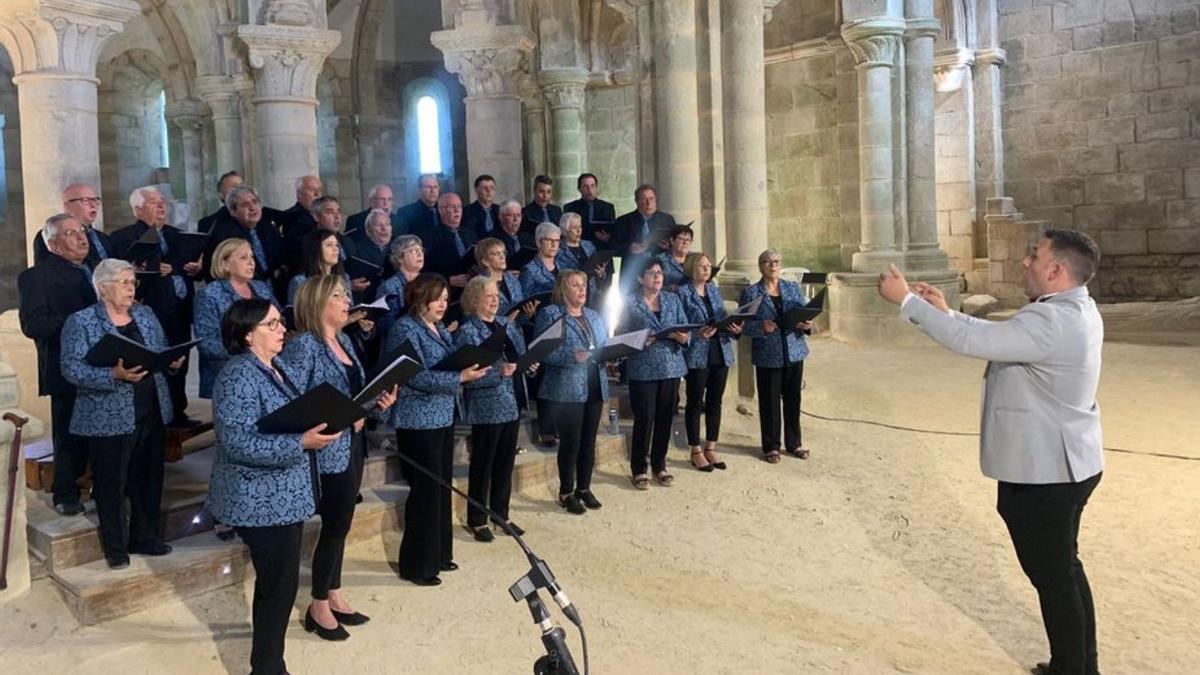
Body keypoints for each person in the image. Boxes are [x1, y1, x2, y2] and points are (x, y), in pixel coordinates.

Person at [878, 230, 1106, 675]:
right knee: (1064, 570)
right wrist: (942, 311)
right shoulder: (1071, 308)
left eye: (1033, 256)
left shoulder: (1053, 321)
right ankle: (1079, 664)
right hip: (1066, 463)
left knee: (1054, 577)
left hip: (1047, 473)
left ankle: (1074, 669)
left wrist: (908, 303)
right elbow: (997, 336)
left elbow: (975, 343)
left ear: (1056, 270)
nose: (1025, 262)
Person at [209, 298, 341, 675]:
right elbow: (237, 441)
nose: (282, 329)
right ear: (247, 334)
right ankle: (267, 668)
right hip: (258, 499)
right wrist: (299, 443)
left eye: (280, 322)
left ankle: (269, 663)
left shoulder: (276, 367)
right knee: (277, 587)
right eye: (271, 324)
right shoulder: (237, 374)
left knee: (280, 585)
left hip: (285, 496)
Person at [279, 275, 397, 640]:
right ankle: (317, 605)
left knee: (342, 523)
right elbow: (292, 399)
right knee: (333, 526)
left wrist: (377, 406)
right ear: (317, 302)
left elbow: (354, 395)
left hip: (352, 445)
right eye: (338, 295)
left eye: (347, 293)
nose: (347, 300)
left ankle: (334, 593)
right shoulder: (305, 347)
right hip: (324, 449)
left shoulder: (344, 339)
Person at [60, 259, 180, 568]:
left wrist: (169, 361)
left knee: (149, 476)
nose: (131, 288)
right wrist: (112, 375)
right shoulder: (81, 322)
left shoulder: (145, 314)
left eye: (133, 282)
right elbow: (71, 369)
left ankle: (146, 537)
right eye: (125, 282)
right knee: (112, 482)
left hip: (150, 408)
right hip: (106, 414)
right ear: (103, 287)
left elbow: (158, 348)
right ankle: (115, 547)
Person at [382, 274, 489, 585]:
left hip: (442, 416)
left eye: (446, 298)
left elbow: (445, 364)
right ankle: (417, 565)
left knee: (440, 488)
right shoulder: (405, 328)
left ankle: (440, 555)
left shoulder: (438, 328)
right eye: (438, 297)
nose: (444, 303)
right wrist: (461, 378)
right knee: (425, 492)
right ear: (421, 298)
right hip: (417, 420)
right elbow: (416, 377)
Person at [18, 214, 99, 516]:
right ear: (52, 244)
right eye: (70, 234)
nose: (81, 238)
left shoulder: (93, 271)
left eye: (82, 231)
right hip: (65, 365)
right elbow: (34, 324)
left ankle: (103, 483)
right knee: (68, 434)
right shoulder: (36, 277)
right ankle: (65, 491)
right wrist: (84, 320)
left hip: (102, 364)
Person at [108, 186, 201, 428]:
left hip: (180, 308)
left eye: (163, 202)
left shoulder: (177, 235)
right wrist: (147, 269)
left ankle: (178, 412)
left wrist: (194, 268)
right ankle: (159, 415)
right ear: (138, 209)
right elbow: (120, 271)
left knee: (180, 358)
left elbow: (184, 264)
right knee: (157, 362)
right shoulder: (122, 237)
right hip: (150, 308)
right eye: (153, 202)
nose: (162, 206)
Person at [454, 276, 530, 541]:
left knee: (505, 463)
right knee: (483, 464)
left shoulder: (504, 324)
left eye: (497, 295)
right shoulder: (468, 331)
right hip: (486, 405)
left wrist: (526, 364)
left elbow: (518, 356)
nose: (495, 300)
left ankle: (501, 514)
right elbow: (466, 374)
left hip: (510, 403)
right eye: (489, 296)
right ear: (475, 299)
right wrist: (499, 372)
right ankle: (477, 519)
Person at [534, 271, 609, 514]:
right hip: (567, 386)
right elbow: (541, 350)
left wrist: (612, 353)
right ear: (563, 289)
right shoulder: (551, 314)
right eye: (575, 285)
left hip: (595, 382)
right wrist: (571, 356)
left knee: (589, 440)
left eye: (584, 284)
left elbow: (603, 344)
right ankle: (566, 491)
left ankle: (584, 487)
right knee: (571, 442)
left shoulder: (594, 316)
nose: (581, 289)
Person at [739, 250, 814, 464]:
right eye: (767, 262)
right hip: (768, 353)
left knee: (793, 398)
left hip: (794, 349)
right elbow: (743, 325)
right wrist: (761, 326)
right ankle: (771, 446)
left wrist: (806, 323)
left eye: (777, 261)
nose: (773, 265)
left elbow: (803, 313)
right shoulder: (751, 292)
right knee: (769, 402)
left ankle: (794, 443)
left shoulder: (791, 287)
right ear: (760, 266)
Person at [620, 258, 689, 489]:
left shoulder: (672, 299)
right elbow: (620, 334)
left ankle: (660, 464)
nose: (657, 276)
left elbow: (685, 327)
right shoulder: (630, 303)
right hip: (643, 367)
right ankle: (639, 468)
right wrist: (642, 339)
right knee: (644, 419)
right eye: (651, 273)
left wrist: (683, 337)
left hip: (671, 366)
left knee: (665, 418)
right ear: (641, 278)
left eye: (659, 272)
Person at [676, 252, 740, 472]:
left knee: (715, 401)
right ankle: (695, 450)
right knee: (695, 402)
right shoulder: (682, 293)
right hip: (697, 352)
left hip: (720, 350)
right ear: (692, 268)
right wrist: (696, 335)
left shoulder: (713, 289)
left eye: (709, 266)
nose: (707, 269)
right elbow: (680, 325)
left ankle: (711, 447)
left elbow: (720, 315)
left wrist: (733, 327)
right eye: (702, 266)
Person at [194, 238, 277, 400]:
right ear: (224, 264)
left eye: (252, 257)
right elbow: (207, 343)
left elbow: (278, 320)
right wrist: (249, 355)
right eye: (243, 258)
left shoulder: (261, 287)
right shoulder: (209, 294)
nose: (251, 262)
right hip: (228, 372)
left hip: (266, 367)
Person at [522, 222, 564, 446]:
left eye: (558, 241)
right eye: (550, 241)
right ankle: (546, 428)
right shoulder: (530, 270)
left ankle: (560, 423)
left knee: (559, 375)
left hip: (562, 324)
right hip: (539, 325)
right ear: (539, 242)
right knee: (545, 378)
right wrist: (528, 314)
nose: (555, 245)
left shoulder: (563, 265)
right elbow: (524, 302)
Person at [205, 185, 286, 291]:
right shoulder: (223, 235)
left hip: (274, 290)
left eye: (255, 202)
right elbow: (213, 271)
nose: (252, 207)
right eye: (245, 204)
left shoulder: (269, 228)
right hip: (240, 292)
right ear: (233, 212)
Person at [34, 183, 112, 267]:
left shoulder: (103, 238)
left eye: (95, 200)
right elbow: (43, 272)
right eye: (86, 201)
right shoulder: (51, 235)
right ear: (67, 205)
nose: (93, 205)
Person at [614, 184, 675, 289]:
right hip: (632, 272)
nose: (648, 203)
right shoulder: (623, 221)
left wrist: (669, 246)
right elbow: (614, 247)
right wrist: (629, 248)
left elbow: (675, 246)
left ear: (656, 199)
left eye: (651, 199)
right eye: (644, 199)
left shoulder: (667, 220)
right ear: (637, 201)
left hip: (660, 270)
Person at [420, 192, 477, 292]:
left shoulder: (471, 234)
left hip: (472, 289)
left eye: (459, 206)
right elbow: (424, 271)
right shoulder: (428, 237)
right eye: (452, 207)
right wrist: (448, 280)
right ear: (441, 211)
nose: (457, 210)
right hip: (445, 291)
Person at [375, 235, 424, 340]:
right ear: (400, 258)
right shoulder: (388, 287)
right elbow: (386, 327)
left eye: (420, 250)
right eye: (413, 251)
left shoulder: (428, 281)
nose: (420, 254)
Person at [475, 237, 535, 321]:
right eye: (496, 254)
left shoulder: (513, 280)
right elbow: (476, 321)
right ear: (485, 261)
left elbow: (519, 317)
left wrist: (528, 315)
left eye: (503, 253)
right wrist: (504, 322)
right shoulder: (478, 286)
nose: (502, 257)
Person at [287, 229, 353, 305]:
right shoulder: (300, 282)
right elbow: (299, 314)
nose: (336, 249)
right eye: (329, 245)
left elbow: (350, 306)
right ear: (315, 248)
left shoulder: (344, 277)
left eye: (337, 245)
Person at [279, 175, 324, 272]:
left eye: (319, 190)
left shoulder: (324, 216)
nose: (317, 194)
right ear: (299, 194)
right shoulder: (289, 217)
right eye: (312, 189)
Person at [564, 172, 617, 246]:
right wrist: (594, 233)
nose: (590, 190)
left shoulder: (607, 207)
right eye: (585, 187)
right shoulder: (570, 207)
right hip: (579, 246)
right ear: (579, 189)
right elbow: (567, 230)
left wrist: (608, 236)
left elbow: (612, 228)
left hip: (602, 247)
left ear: (596, 187)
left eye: (593, 186)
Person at [657, 225, 693, 292]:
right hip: (670, 298)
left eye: (688, 240)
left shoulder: (696, 259)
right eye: (681, 239)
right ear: (672, 241)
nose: (685, 243)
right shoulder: (659, 260)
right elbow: (649, 285)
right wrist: (668, 288)